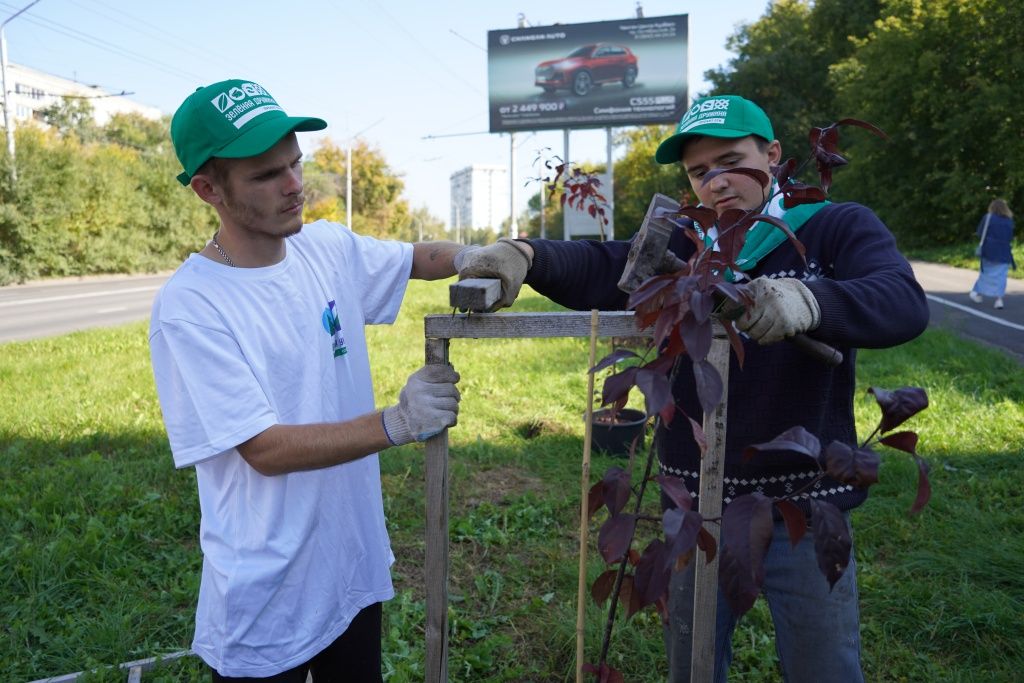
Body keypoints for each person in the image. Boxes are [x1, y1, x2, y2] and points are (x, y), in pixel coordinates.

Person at [456, 95, 930, 682]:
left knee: (823, 667)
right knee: (693, 667)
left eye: (731, 161)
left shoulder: (832, 227)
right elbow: (606, 266)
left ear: (774, 154)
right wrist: (525, 253)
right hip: (696, 513)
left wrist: (811, 299)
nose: (717, 183)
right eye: (700, 173)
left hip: (803, 511)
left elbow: (903, 301)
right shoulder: (688, 242)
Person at [149, 78, 466, 681]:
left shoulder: (326, 249)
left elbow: (416, 258)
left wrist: (482, 255)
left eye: (296, 163)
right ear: (207, 188)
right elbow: (264, 449)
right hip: (269, 598)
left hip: (350, 568)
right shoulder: (192, 306)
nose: (294, 184)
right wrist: (395, 423)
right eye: (267, 175)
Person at [968, 198, 1016, 310]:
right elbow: (1010, 237)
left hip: (989, 251)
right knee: (1001, 276)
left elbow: (980, 232)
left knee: (985, 274)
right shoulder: (1009, 220)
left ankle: (977, 293)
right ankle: (999, 300)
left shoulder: (988, 217)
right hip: (1004, 252)